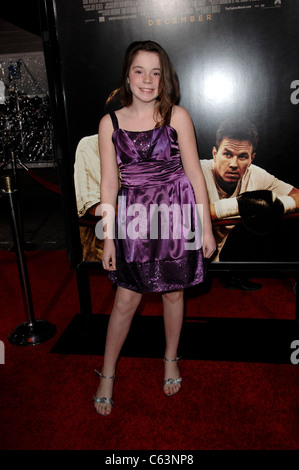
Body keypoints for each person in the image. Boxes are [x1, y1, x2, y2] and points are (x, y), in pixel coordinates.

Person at [93, 40, 216, 416]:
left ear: (164, 78)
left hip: (177, 217)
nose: (147, 80)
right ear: (127, 77)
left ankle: (170, 359)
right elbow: (109, 185)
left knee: (174, 295)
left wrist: (206, 229)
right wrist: (109, 237)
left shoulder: (177, 116)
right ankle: (107, 374)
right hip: (134, 222)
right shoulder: (109, 123)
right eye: (139, 71)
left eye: (155, 72)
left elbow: (195, 174)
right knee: (126, 300)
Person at [200, 118, 299, 289]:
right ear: (215, 154)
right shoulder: (198, 171)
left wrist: (279, 205)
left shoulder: (256, 175)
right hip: (191, 256)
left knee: (263, 218)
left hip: (226, 255)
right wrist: (239, 205)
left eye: (242, 157)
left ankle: (234, 275)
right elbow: (176, 213)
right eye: (227, 154)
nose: (233, 164)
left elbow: (297, 195)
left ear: (252, 158)